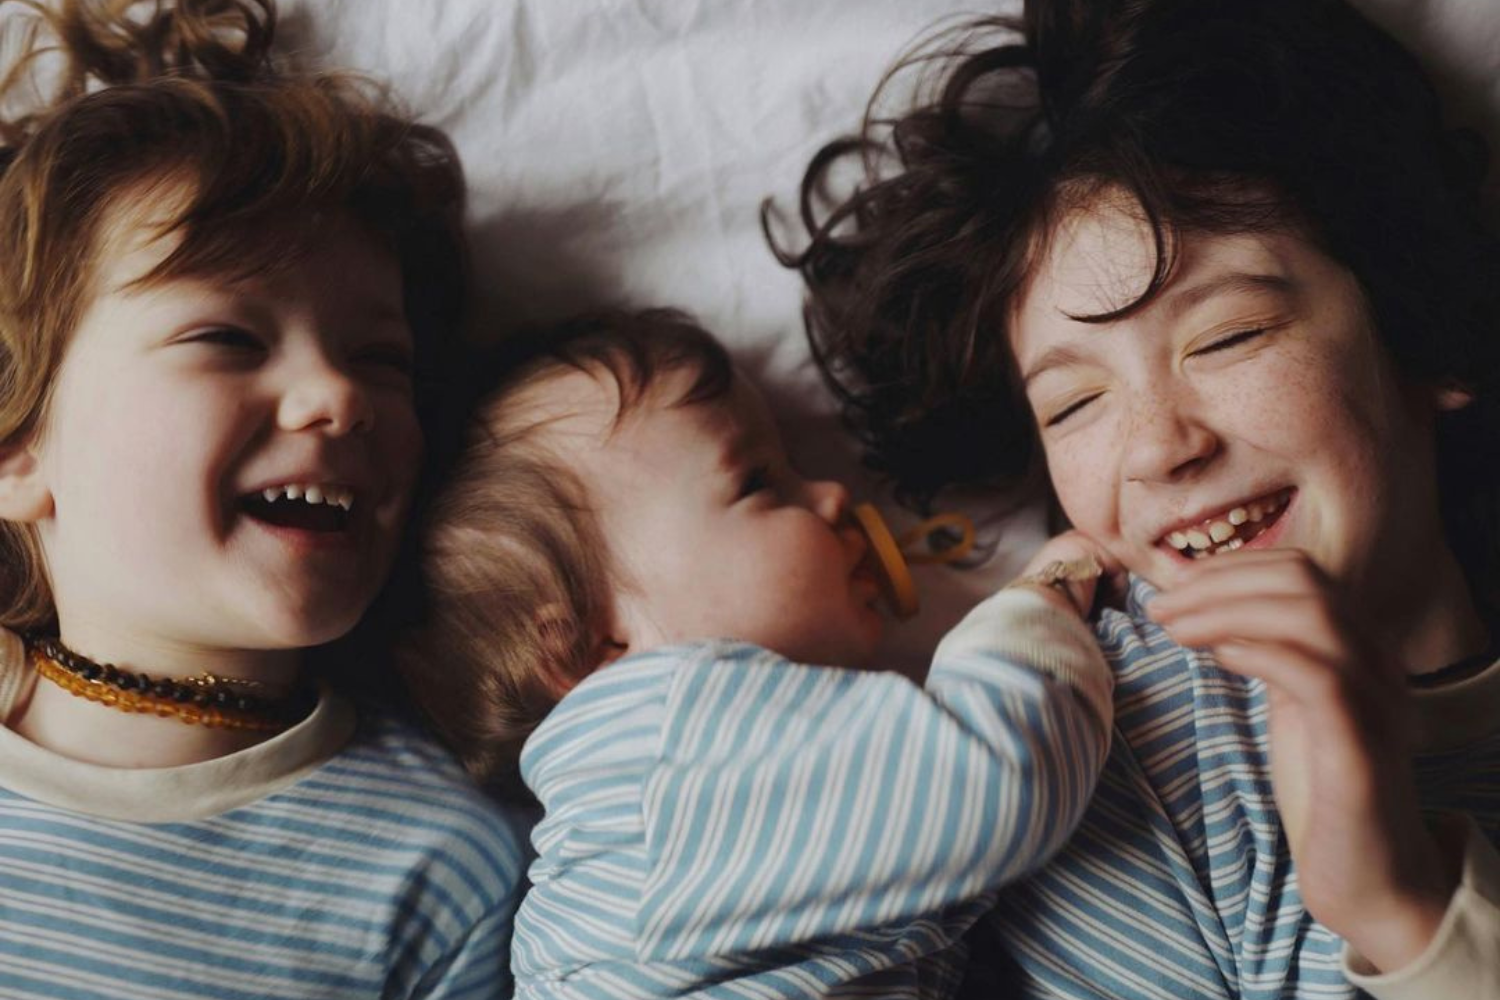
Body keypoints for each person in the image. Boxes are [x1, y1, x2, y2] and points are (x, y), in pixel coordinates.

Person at [778, 0, 1500, 997]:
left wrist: (1403, 909)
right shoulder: (1092, 742)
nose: (1162, 445)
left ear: (1424, 328)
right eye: (1075, 403)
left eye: (1228, 336)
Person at [0, 1, 530, 997]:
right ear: (19, 448)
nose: (340, 396)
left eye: (382, 358)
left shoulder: (448, 864)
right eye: (229, 339)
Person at [396, 307, 1119, 998]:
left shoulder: (641, 796)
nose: (833, 493)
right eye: (759, 482)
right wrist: (1040, 601)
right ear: (593, 646)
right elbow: (1004, 773)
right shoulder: (668, 741)